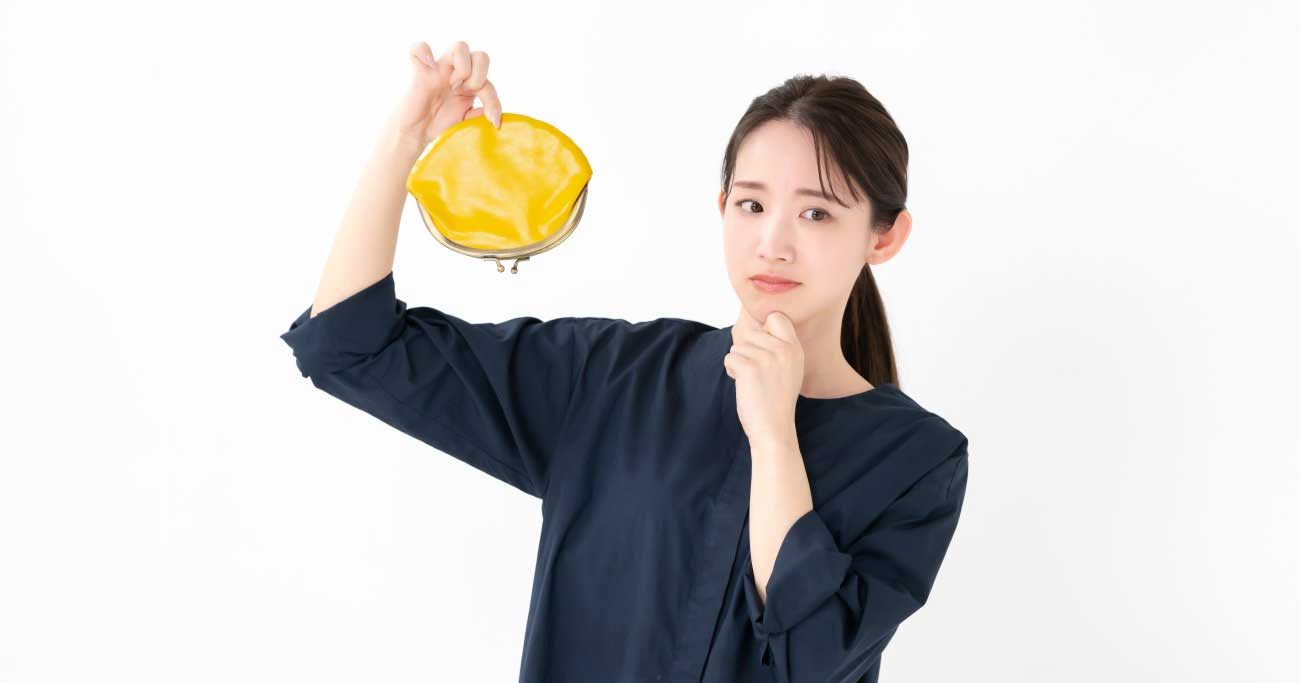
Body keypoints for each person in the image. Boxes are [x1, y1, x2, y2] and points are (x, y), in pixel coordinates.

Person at [280, 39, 971, 683]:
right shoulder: (611, 374)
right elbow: (348, 344)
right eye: (751, 204)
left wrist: (773, 436)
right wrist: (406, 140)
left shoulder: (918, 461)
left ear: (884, 237)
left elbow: (809, 654)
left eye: (816, 214)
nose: (772, 242)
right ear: (722, 207)